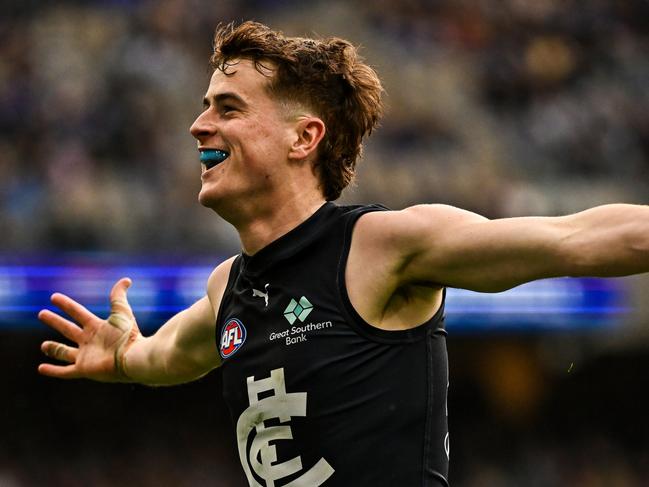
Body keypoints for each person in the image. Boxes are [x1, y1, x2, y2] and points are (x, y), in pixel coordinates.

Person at [38, 21, 649, 487]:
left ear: (304, 137)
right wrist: (124, 355)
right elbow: (170, 355)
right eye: (204, 107)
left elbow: (576, 237)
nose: (199, 127)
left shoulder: (381, 246)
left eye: (227, 108)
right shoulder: (228, 288)